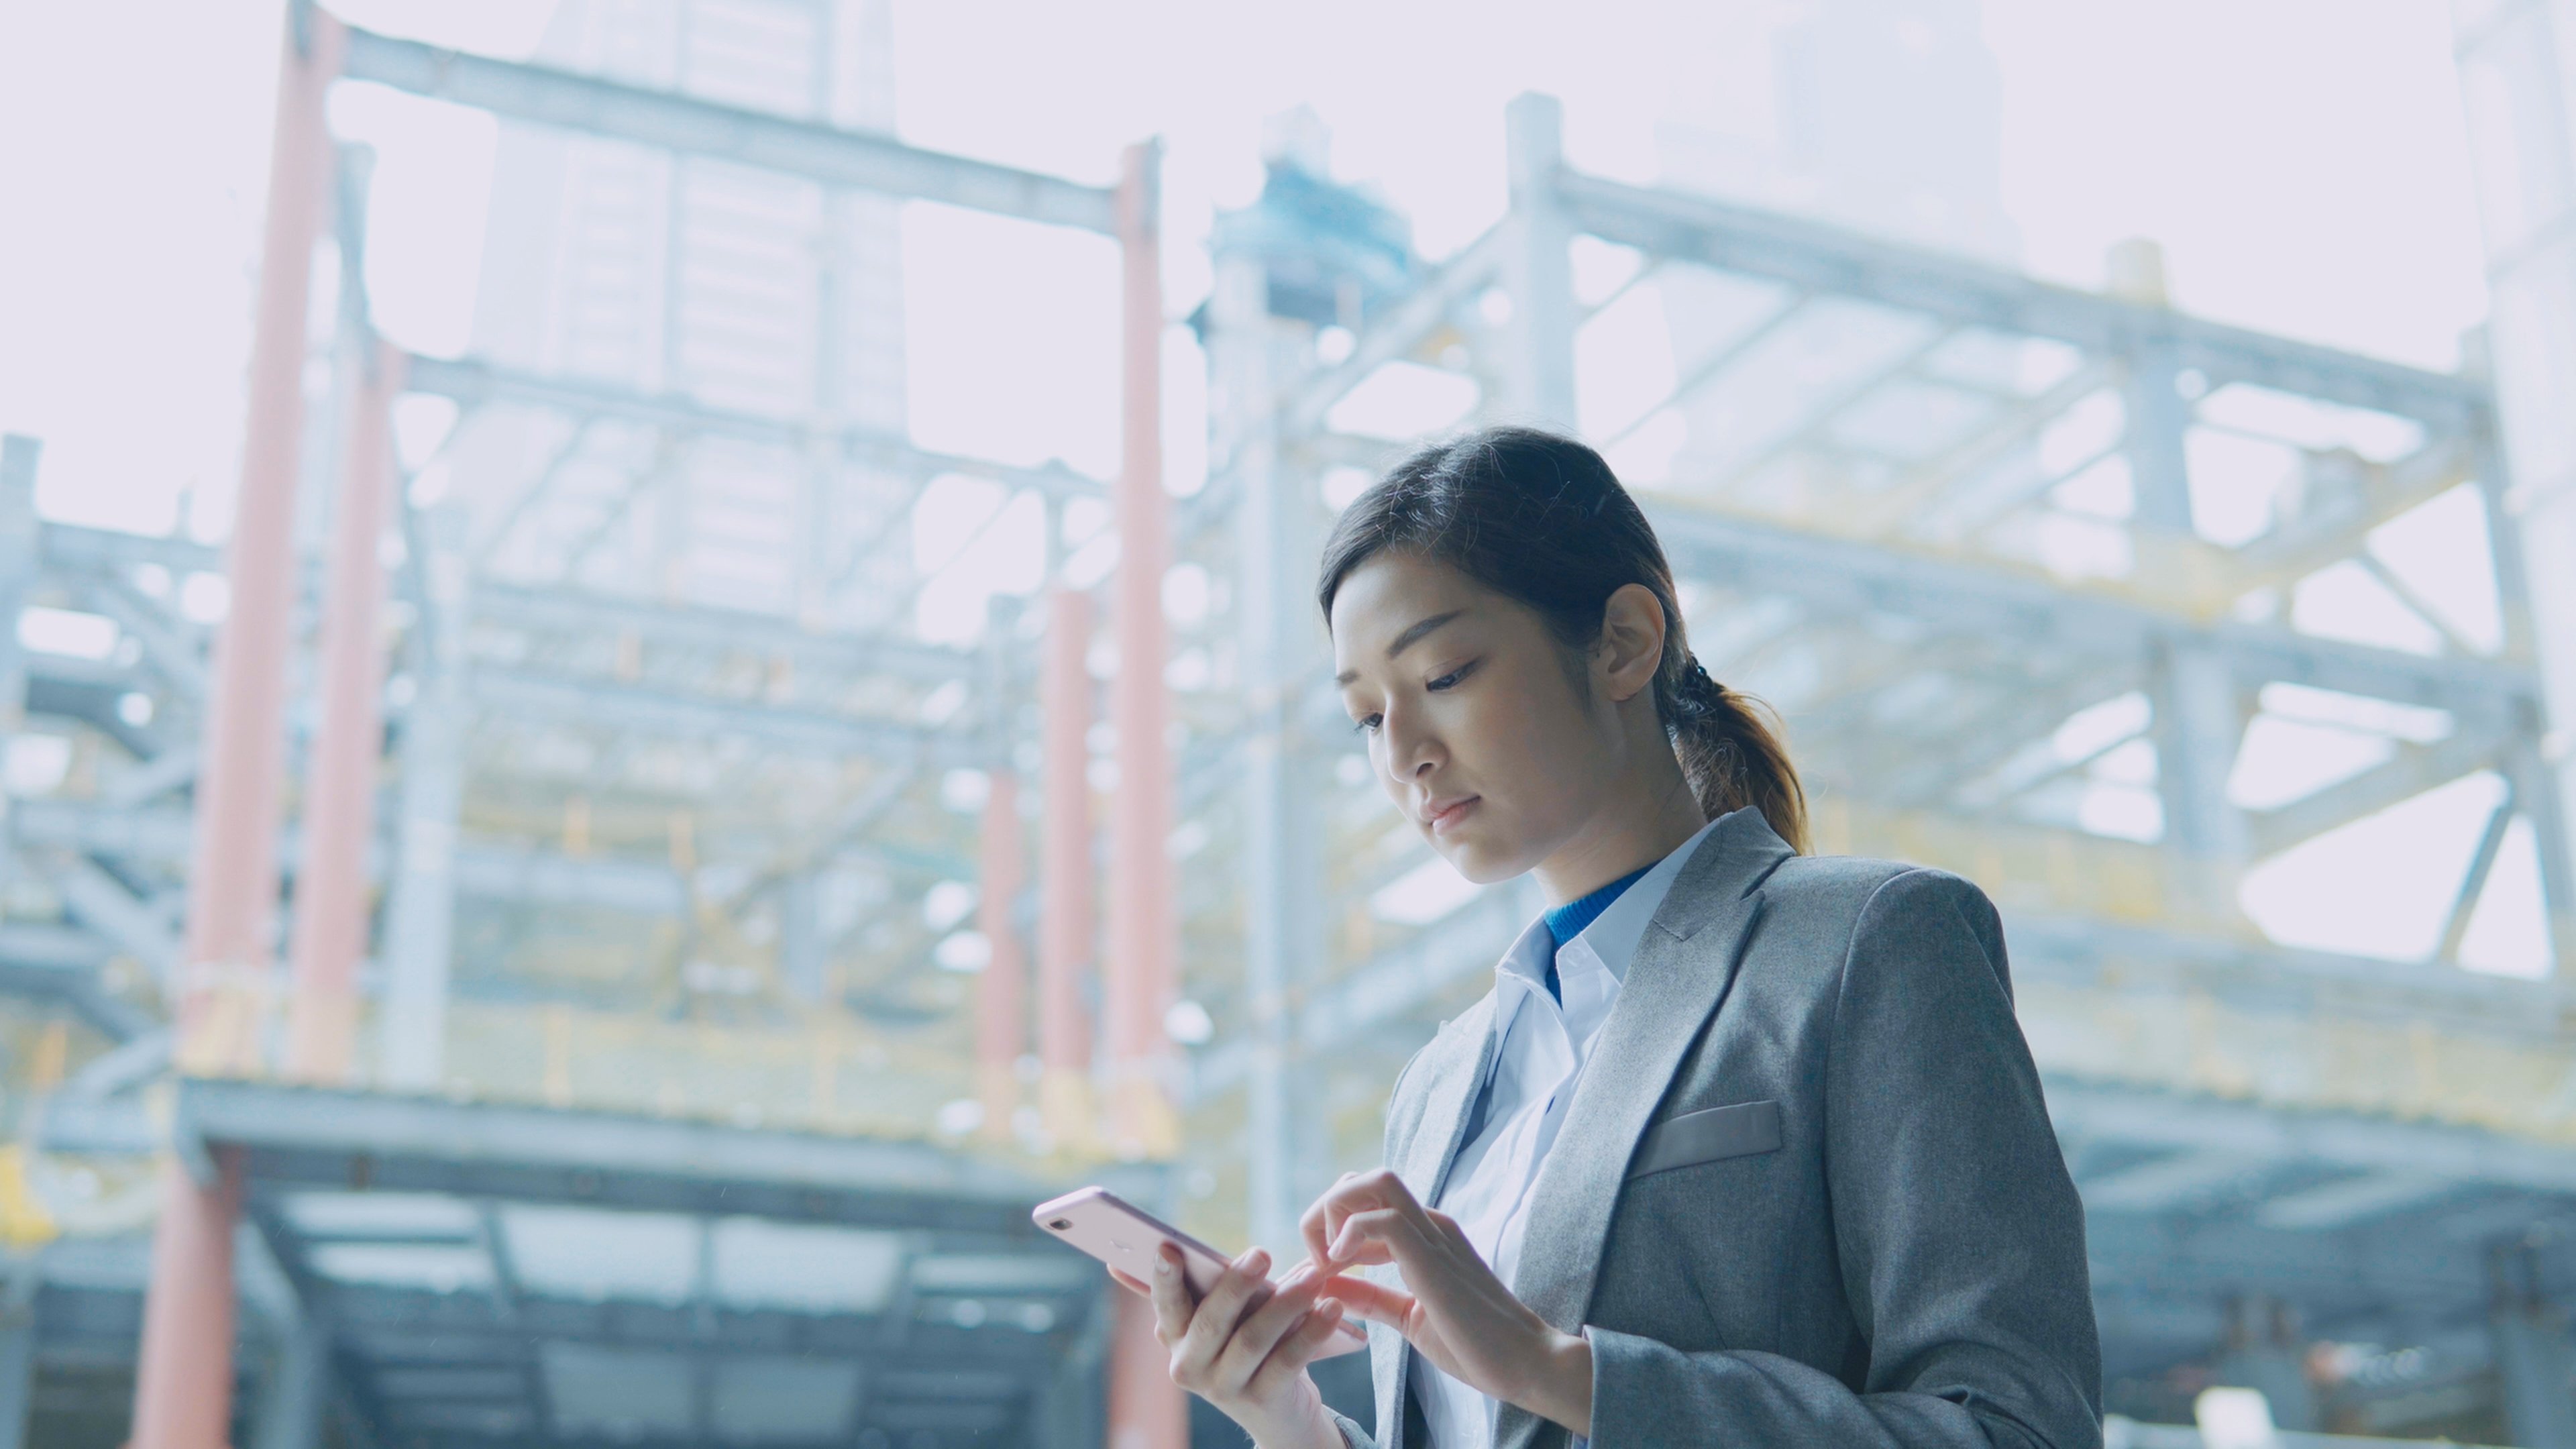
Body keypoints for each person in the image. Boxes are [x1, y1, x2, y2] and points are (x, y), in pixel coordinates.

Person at [1108, 425, 2101, 1449]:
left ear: (1625, 639)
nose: (1403, 753)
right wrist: (1289, 1420)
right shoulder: (1442, 1086)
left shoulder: (1874, 945)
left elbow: (2022, 1428)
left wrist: (1563, 1373)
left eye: (1444, 674)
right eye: (1367, 718)